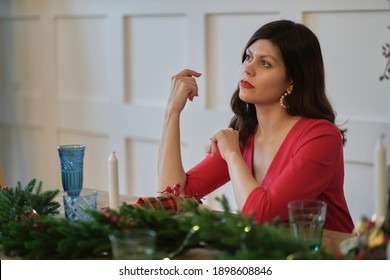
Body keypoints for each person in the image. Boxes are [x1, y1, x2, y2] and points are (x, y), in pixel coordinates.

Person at [157, 19, 354, 233]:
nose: (248, 69)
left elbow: (262, 217)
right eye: (249, 57)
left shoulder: (321, 138)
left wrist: (233, 156)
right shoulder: (245, 136)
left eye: (265, 63)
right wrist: (172, 112)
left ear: (292, 80)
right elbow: (174, 195)